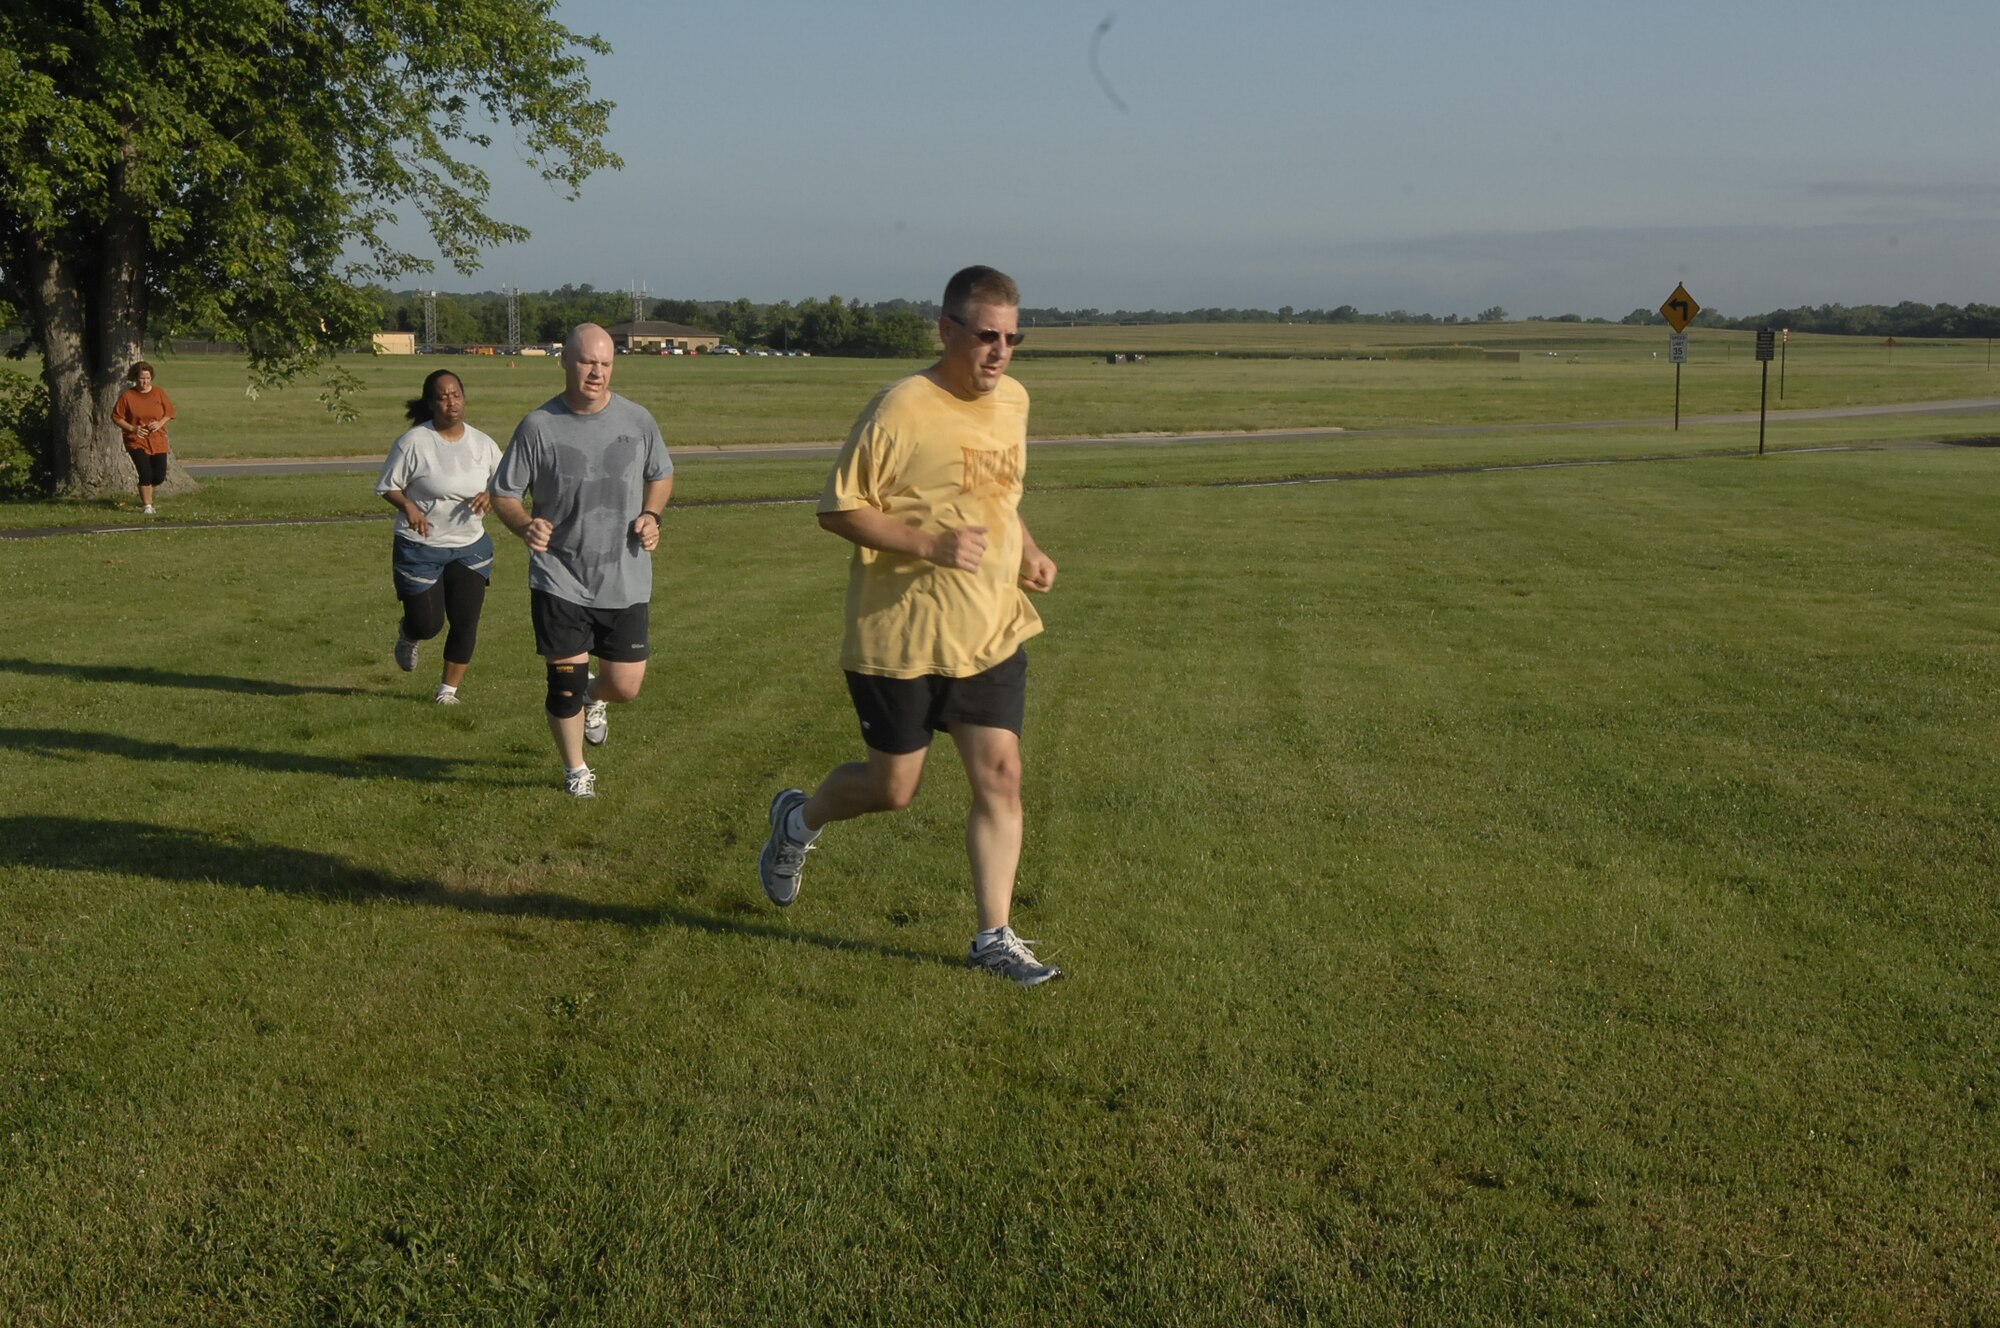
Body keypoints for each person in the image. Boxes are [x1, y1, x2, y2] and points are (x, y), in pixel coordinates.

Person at [758, 265, 1064, 986]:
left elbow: (998, 491)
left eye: (1013, 339)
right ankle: (798, 822)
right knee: (893, 789)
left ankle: (993, 937)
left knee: (1002, 775)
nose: (1000, 353)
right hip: (897, 638)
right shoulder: (901, 408)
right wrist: (930, 545)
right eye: (987, 337)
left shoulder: (1014, 400)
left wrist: (1027, 547)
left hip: (989, 629)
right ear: (947, 330)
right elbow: (840, 507)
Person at [490, 323, 673, 799]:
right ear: (565, 363)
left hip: (625, 575)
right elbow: (504, 492)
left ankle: (597, 697)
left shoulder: (638, 421)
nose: (597, 372)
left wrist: (652, 514)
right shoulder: (538, 426)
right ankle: (576, 771)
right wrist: (524, 524)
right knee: (563, 684)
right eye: (588, 362)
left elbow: (661, 474)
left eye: (606, 363)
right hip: (559, 575)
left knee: (626, 686)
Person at [375, 369, 504, 704]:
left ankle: (448, 692)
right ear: (431, 403)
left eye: (456, 395)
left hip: (470, 546)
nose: (452, 402)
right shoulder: (413, 442)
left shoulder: (483, 443)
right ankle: (409, 634)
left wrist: (491, 495)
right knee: (428, 623)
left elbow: (505, 484)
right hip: (421, 547)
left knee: (465, 621)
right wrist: (408, 506)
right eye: (443, 397)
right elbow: (388, 486)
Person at [111, 362, 175, 514]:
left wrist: (159, 423)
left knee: (158, 476)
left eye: (147, 378)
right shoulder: (128, 396)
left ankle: (148, 493)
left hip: (157, 439)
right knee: (145, 473)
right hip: (137, 440)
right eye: (141, 378)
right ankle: (147, 506)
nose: (144, 382)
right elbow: (116, 417)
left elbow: (170, 412)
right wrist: (133, 429)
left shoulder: (159, 393)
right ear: (135, 378)